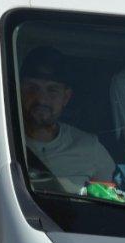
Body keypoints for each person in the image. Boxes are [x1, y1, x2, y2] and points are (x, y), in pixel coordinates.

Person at [19, 47, 115, 190]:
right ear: (19, 91)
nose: (41, 99)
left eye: (52, 90)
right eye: (32, 88)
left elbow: (109, 200)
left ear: (66, 97)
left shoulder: (89, 147)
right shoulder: (0, 141)